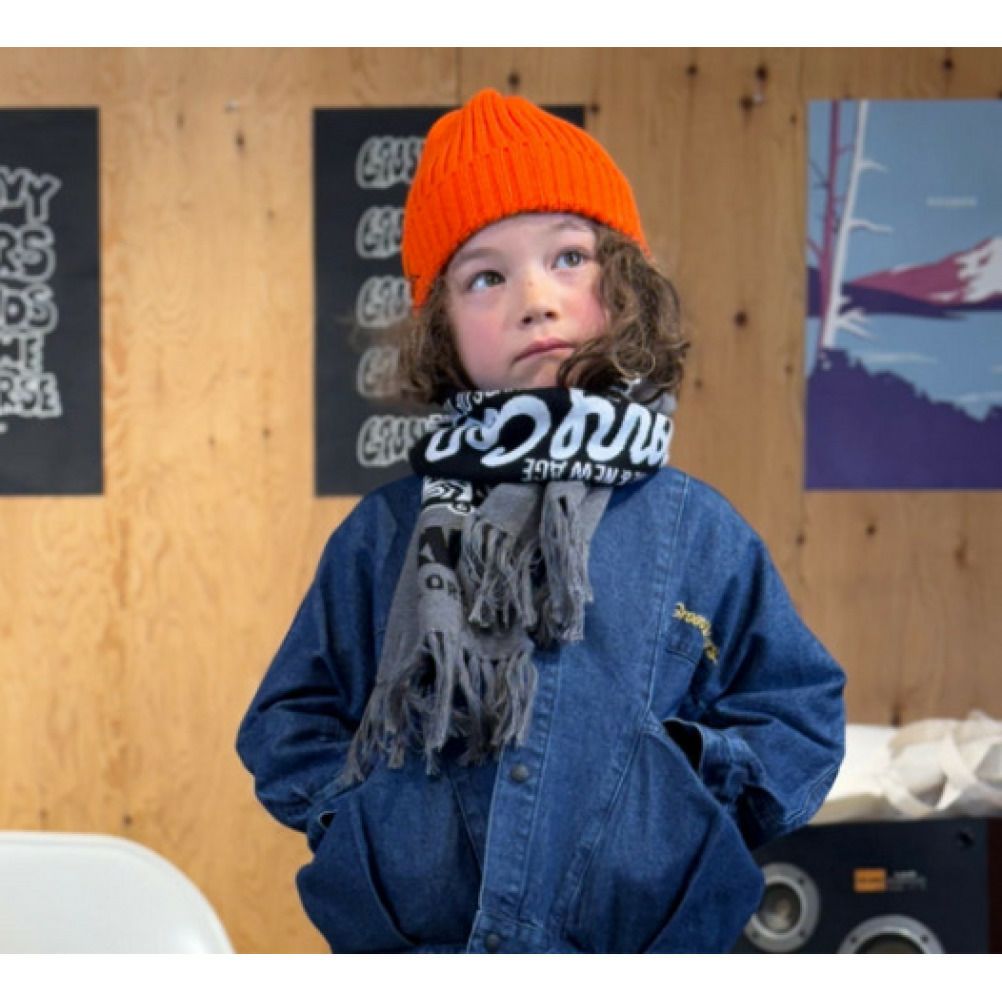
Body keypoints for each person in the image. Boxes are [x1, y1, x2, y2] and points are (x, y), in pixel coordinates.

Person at [235, 88, 846, 954]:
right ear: (440, 327)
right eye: (485, 276)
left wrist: (681, 784)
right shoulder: (382, 537)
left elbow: (798, 713)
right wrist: (364, 820)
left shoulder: (699, 532)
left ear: (624, 287)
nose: (534, 298)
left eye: (568, 257)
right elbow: (288, 719)